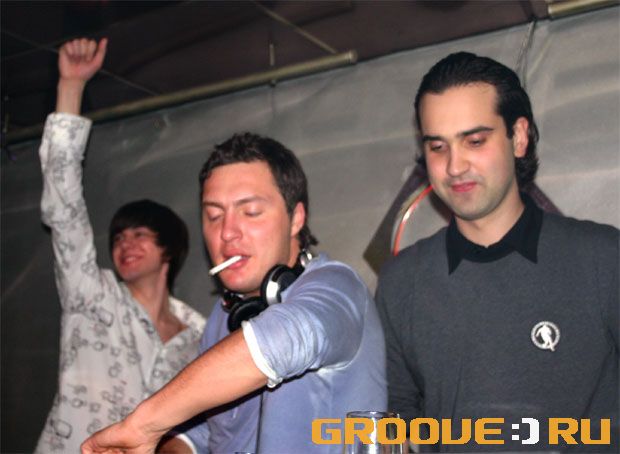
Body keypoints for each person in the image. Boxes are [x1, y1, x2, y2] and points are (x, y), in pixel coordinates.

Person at [81, 133, 387, 453]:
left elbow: (281, 340)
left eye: (250, 212)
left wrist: (142, 425)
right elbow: (203, 432)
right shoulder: (223, 315)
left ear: (296, 218)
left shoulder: (338, 288)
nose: (227, 232)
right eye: (214, 216)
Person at [376, 52, 619, 451]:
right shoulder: (402, 281)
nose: (455, 166)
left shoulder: (603, 259)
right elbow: (394, 420)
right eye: (437, 146)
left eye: (474, 141)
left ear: (518, 137)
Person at [36, 38, 206, 453]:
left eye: (139, 234)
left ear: (169, 249)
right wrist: (71, 86)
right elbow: (63, 207)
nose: (125, 243)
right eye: (118, 237)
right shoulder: (91, 295)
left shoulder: (201, 337)